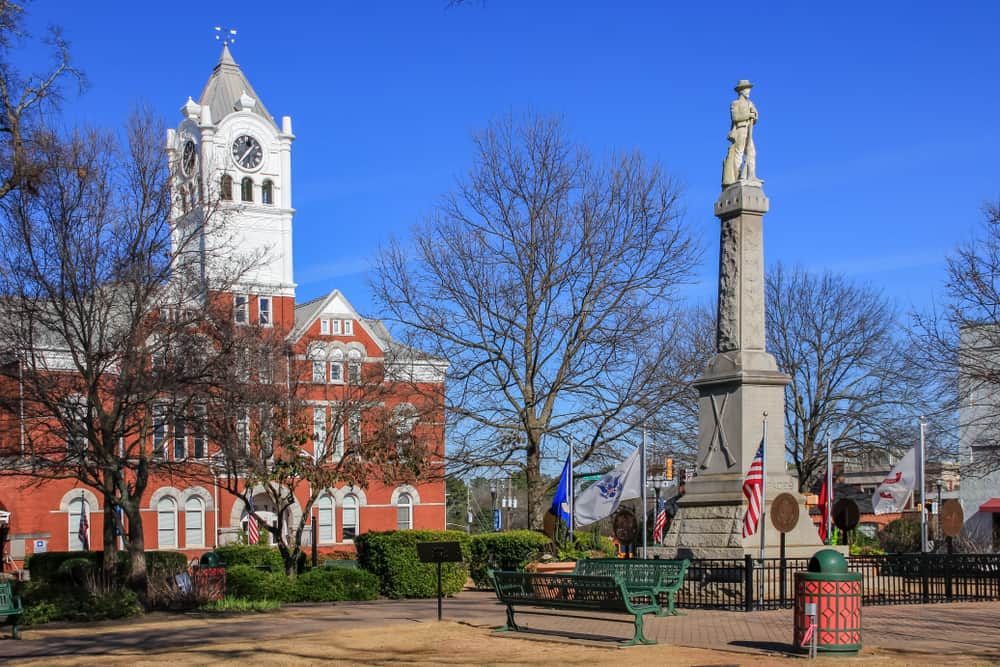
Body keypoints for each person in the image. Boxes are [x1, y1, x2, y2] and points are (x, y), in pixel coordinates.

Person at [721, 80, 760, 187]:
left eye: (749, 89)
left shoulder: (750, 103)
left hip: (748, 129)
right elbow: (735, 117)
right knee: (739, 153)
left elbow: (756, 115)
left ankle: (751, 175)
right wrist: (748, 115)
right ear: (741, 91)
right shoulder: (735, 103)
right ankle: (737, 175)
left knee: (751, 152)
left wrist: (754, 116)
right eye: (746, 89)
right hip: (740, 129)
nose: (749, 91)